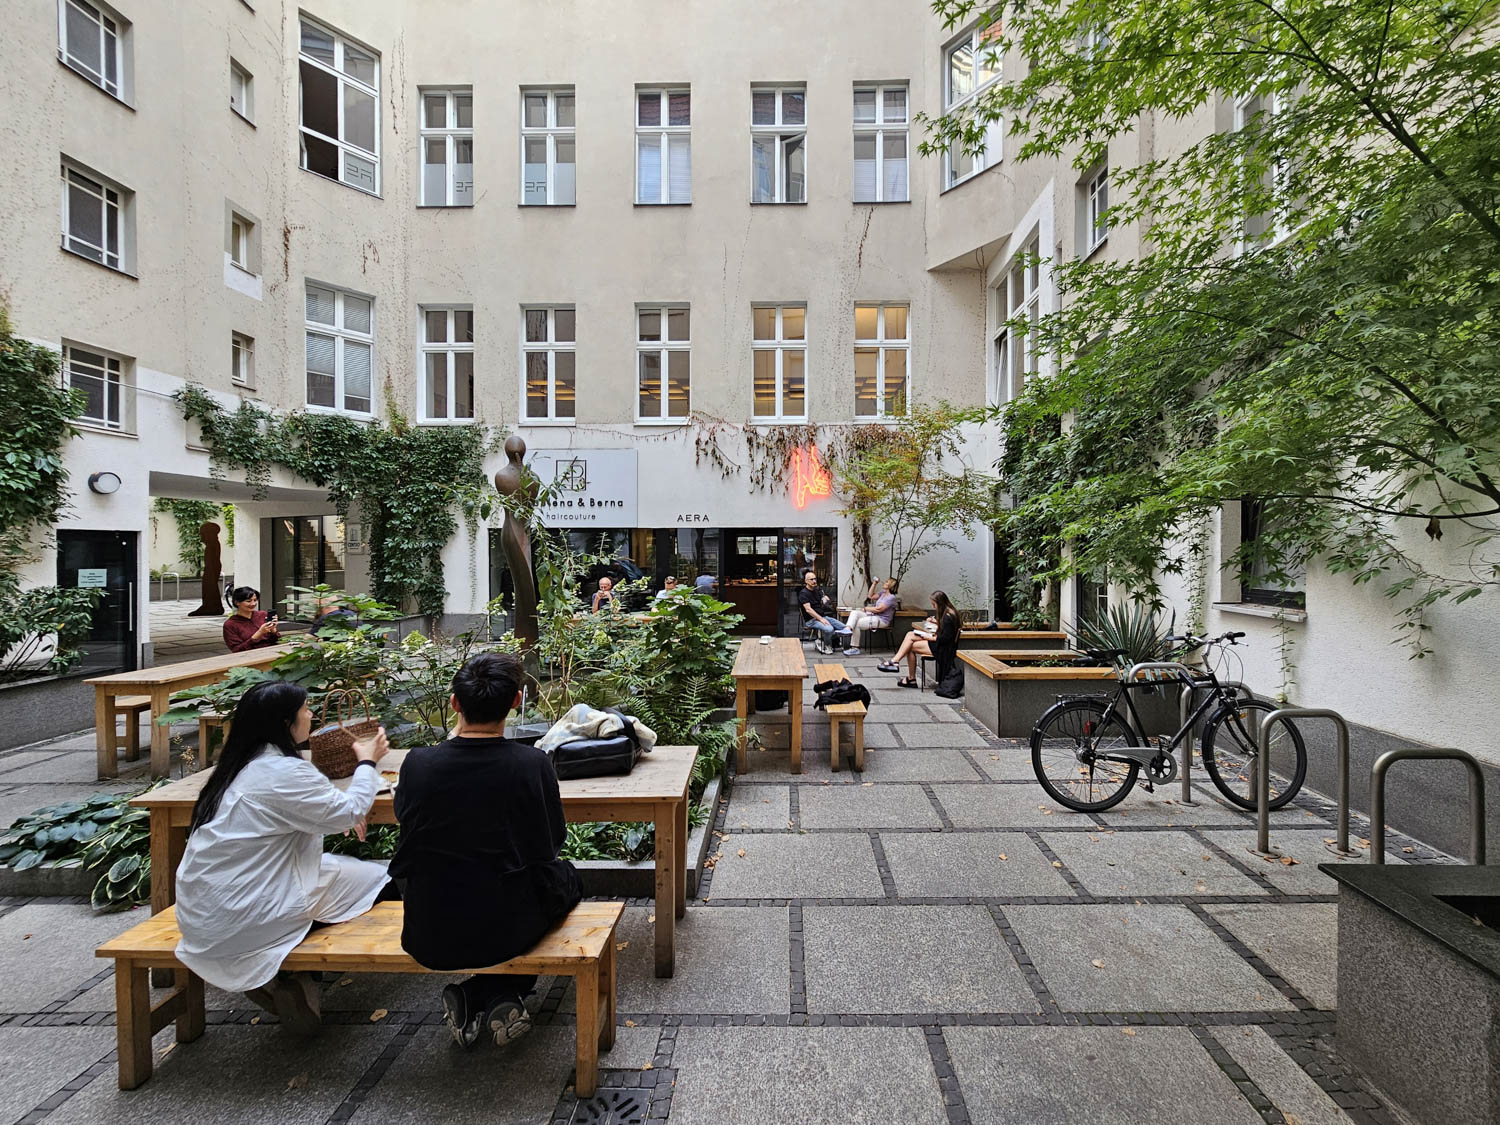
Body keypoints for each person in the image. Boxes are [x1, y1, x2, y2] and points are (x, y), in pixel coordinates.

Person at [389, 652, 583, 1050]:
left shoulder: (417, 764)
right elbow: (549, 844)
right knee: (569, 878)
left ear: (454, 703)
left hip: (427, 929)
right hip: (506, 929)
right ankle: (492, 993)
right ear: (515, 702)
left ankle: (488, 995)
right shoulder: (531, 763)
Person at [174, 681, 391, 1033]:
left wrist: (342, 808)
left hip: (201, 913)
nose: (311, 715)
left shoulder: (237, 767)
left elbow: (327, 811)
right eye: (305, 710)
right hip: (249, 913)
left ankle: (287, 973)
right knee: (383, 880)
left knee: (345, 873)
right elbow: (346, 814)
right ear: (285, 723)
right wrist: (367, 762)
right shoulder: (283, 772)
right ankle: (295, 971)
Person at [879, 589, 961, 687]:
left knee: (910, 646)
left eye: (934, 604)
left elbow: (945, 638)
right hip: (942, 644)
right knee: (910, 634)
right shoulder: (950, 612)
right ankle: (895, 662)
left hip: (943, 648)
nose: (933, 607)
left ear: (939, 603)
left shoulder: (948, 616)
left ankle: (909, 677)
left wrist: (929, 637)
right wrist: (936, 622)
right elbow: (948, 631)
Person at [840, 578, 899, 656]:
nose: (884, 582)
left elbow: (879, 609)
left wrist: (866, 608)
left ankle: (855, 648)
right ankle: (848, 628)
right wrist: (874, 583)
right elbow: (870, 596)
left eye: (887, 582)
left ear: (891, 585)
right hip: (874, 616)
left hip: (882, 620)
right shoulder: (883, 593)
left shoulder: (891, 598)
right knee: (854, 613)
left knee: (857, 623)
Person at [798, 569, 850, 655]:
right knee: (829, 629)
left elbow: (823, 597)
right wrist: (821, 619)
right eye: (811, 579)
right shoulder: (803, 593)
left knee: (845, 628)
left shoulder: (817, 590)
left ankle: (825, 640)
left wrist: (825, 598)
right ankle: (827, 645)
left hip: (822, 616)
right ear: (806, 581)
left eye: (815, 579)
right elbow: (808, 610)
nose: (814, 581)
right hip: (811, 620)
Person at [223, 586, 280, 652]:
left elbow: (277, 641)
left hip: (271, 652)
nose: (253, 604)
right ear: (237, 602)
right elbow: (236, 650)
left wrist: (273, 630)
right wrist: (259, 634)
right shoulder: (230, 624)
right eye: (248, 601)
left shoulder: (263, 615)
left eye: (255, 600)